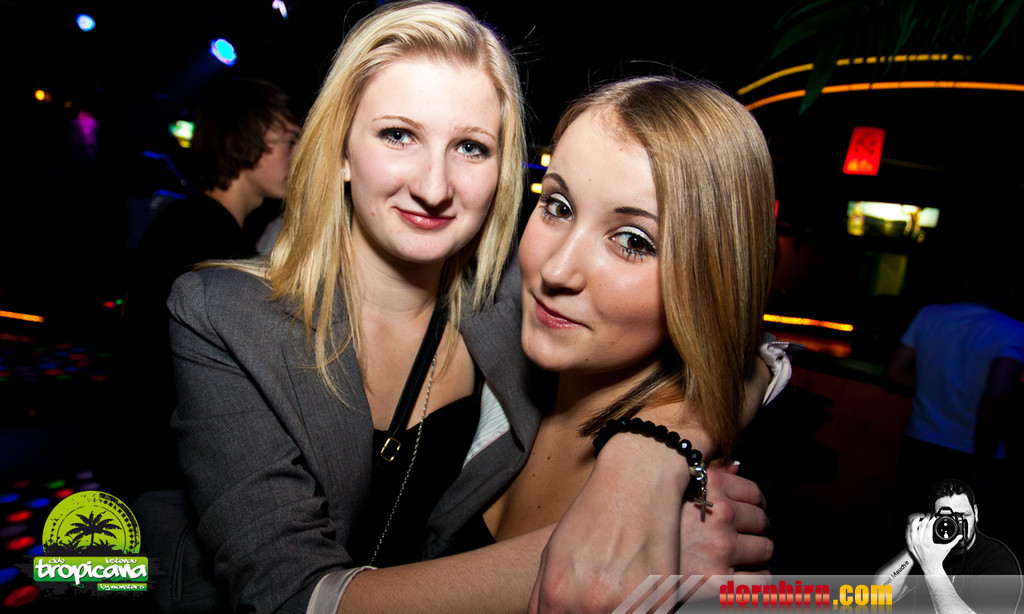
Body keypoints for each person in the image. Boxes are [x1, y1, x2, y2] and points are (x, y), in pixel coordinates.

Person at [163, 3, 778, 612]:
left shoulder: (515, 302)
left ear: (502, 171)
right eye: (398, 135)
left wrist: (646, 457)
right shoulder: (223, 316)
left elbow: (746, 351)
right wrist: (606, 544)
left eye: (471, 147)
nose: (433, 187)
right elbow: (284, 596)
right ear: (341, 150)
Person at [433, 75, 782, 608]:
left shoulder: (701, 531)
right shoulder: (493, 345)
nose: (556, 270)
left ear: (709, 280)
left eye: (632, 241)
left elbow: (753, 352)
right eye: (558, 206)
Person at [120, 77, 299, 488]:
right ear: (241, 140)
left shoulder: (193, 222)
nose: (297, 155)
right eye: (288, 141)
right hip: (162, 467)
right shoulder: (206, 237)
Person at [883, 251, 1024, 542]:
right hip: (969, 454)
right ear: (1012, 287)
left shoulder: (929, 314)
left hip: (919, 445)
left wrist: (935, 386)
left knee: (909, 534)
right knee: (958, 546)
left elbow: (894, 373)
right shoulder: (1013, 331)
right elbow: (994, 400)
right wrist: (984, 465)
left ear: (969, 280)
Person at [873, 479, 1022, 613]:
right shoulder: (926, 551)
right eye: (947, 518)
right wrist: (914, 547)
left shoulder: (998, 560)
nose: (956, 524)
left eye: (963, 515)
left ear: (976, 513)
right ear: (934, 520)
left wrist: (932, 567)